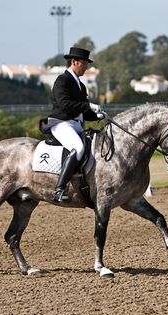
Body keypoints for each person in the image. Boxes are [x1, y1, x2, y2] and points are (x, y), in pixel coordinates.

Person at [47, 47, 105, 202]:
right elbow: (65, 104)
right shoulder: (62, 80)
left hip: (76, 125)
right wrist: (88, 106)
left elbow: (83, 112)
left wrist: (96, 115)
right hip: (61, 123)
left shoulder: (81, 85)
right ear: (74, 61)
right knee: (78, 148)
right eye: (84, 63)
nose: (86, 67)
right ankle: (59, 189)